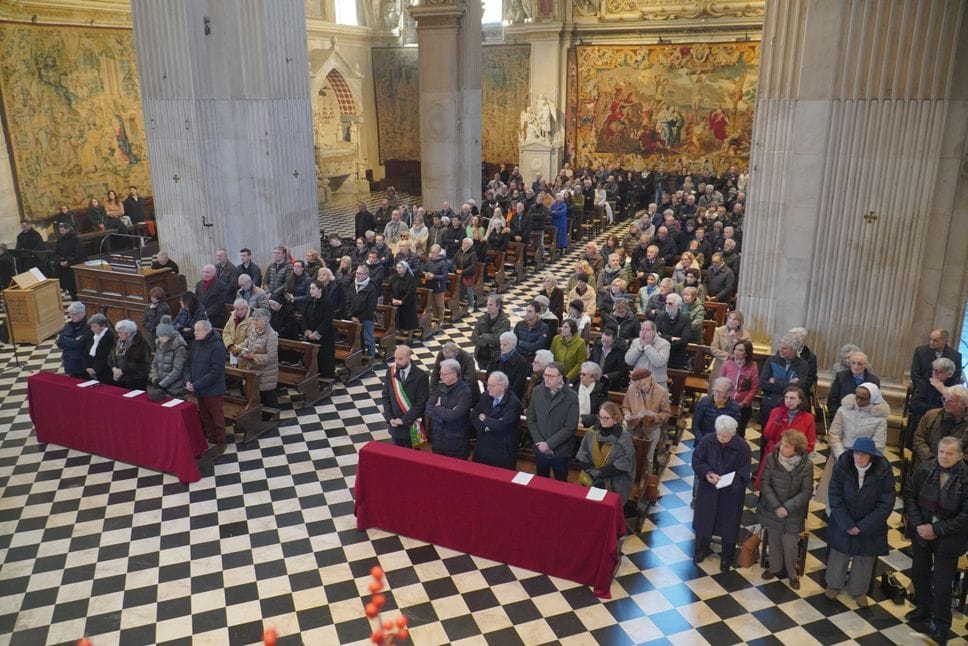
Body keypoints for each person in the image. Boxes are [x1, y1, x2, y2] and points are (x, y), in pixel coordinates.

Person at [904, 436, 968, 646]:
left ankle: (941, 626)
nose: (944, 456)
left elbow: (965, 516)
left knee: (942, 585)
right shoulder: (925, 468)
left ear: (960, 455)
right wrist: (919, 525)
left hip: (949, 537)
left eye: (950, 453)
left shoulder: (965, 477)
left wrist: (935, 529)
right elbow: (910, 495)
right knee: (919, 573)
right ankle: (924, 607)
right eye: (941, 451)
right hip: (922, 530)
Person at [824, 436, 895, 607]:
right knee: (839, 553)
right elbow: (834, 495)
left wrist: (863, 526)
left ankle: (858, 590)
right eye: (856, 453)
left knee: (864, 557)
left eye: (864, 454)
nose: (859, 457)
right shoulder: (842, 466)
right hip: (844, 519)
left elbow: (886, 503)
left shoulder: (884, 471)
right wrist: (847, 523)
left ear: (872, 456)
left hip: (870, 524)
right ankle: (834, 584)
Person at [692, 416, 751, 572]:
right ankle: (701, 550)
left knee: (728, 526)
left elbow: (744, 473)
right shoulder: (707, 441)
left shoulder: (743, 447)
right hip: (709, 490)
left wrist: (729, 482)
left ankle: (727, 556)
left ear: (733, 433)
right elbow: (697, 460)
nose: (722, 438)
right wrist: (707, 473)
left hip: (730, 495)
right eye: (719, 434)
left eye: (726, 436)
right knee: (705, 521)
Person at [816, 383, 890, 506]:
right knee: (836, 493)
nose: (859, 401)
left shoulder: (879, 417)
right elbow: (834, 435)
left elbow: (879, 444)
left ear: (872, 399)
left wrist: (861, 457)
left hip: (863, 460)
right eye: (857, 397)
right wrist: (842, 455)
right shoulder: (844, 409)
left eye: (863, 398)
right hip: (840, 455)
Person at [757, 429, 813, 589]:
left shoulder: (806, 465)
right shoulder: (771, 459)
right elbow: (765, 483)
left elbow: (807, 491)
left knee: (790, 544)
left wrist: (786, 508)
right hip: (772, 509)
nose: (782, 447)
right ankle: (774, 568)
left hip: (793, 513)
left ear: (797, 450)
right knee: (774, 540)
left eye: (787, 446)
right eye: (782, 444)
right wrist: (776, 506)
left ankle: (792, 574)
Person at [527, 362, 579, 481]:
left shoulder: (571, 396)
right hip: (540, 447)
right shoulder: (537, 391)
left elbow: (570, 427)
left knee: (560, 483)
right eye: (545, 375)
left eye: (551, 376)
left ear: (560, 378)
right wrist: (540, 442)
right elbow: (531, 418)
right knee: (541, 482)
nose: (547, 379)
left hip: (560, 450)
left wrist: (549, 444)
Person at [576, 402, 636, 504]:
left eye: (606, 418)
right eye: (600, 417)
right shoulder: (592, 432)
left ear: (615, 418)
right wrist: (591, 472)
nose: (602, 420)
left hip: (614, 480)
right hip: (592, 477)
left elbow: (624, 463)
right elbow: (582, 454)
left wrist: (600, 473)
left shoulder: (624, 439)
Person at [756, 385, 815, 488]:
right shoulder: (776, 412)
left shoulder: (808, 418)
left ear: (800, 400)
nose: (788, 401)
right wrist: (777, 421)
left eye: (792, 398)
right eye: (786, 398)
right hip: (774, 454)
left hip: (794, 459)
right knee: (767, 486)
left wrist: (794, 453)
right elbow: (767, 435)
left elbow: (810, 444)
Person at [186, 320, 228, 454]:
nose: (195, 333)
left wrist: (196, 384)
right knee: (205, 416)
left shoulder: (217, 346)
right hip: (199, 388)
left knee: (217, 417)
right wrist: (188, 380)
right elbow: (189, 365)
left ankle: (221, 442)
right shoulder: (195, 344)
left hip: (213, 389)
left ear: (207, 331)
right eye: (195, 330)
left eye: (198, 330)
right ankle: (211, 439)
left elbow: (215, 372)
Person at [622, 367, 671, 476]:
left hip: (651, 428)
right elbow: (625, 406)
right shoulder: (632, 388)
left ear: (650, 379)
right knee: (628, 454)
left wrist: (654, 417)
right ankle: (630, 477)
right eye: (638, 385)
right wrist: (627, 414)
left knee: (648, 457)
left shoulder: (661, 392)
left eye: (643, 384)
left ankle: (646, 479)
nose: (641, 387)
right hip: (633, 426)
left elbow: (667, 413)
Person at [471, 371, 522, 469]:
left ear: (502, 387)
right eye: (487, 385)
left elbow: (501, 425)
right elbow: (473, 415)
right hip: (483, 445)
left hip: (502, 449)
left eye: (491, 385)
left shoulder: (513, 403)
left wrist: (484, 418)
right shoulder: (486, 395)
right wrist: (485, 426)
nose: (488, 388)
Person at [911, 384, 968, 473]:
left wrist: (949, 462)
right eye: (944, 399)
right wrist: (931, 459)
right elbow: (919, 438)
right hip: (926, 466)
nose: (945, 403)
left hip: (957, 471)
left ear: (963, 404)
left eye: (950, 402)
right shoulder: (931, 415)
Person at [383, 345, 430, 448]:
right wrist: (389, 417)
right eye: (395, 358)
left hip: (411, 428)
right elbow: (386, 397)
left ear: (409, 358)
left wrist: (404, 420)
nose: (397, 361)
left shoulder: (421, 376)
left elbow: (421, 404)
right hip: (395, 427)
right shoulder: (390, 371)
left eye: (400, 359)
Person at [907, 357, 961, 447]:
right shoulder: (925, 383)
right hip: (924, 421)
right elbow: (915, 405)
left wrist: (943, 391)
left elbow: (956, 410)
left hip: (947, 426)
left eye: (939, 371)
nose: (934, 373)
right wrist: (935, 412)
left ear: (949, 374)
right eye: (934, 370)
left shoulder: (955, 388)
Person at [426, 358, 473, 459]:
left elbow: (454, 416)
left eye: (444, 374)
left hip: (455, 443)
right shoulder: (440, 387)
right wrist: (443, 417)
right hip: (438, 439)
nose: (441, 376)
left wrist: (438, 409)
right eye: (440, 373)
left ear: (454, 375)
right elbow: (429, 408)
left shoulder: (465, 392)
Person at [758, 333, 808, 425]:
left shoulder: (802, 365)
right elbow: (763, 383)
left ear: (793, 350)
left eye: (784, 348)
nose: (780, 350)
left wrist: (775, 381)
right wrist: (789, 383)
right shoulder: (771, 360)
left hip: (789, 406)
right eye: (780, 347)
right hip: (770, 402)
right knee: (766, 433)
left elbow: (800, 387)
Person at [238, 308, 280, 408]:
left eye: (257, 320)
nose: (254, 322)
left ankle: (274, 418)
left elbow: (270, 356)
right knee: (256, 396)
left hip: (266, 373)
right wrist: (241, 351)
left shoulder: (271, 335)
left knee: (269, 399)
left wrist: (253, 356)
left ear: (265, 321)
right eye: (254, 319)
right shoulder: (254, 330)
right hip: (253, 369)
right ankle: (258, 415)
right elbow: (248, 343)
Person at [826, 351, 879, 418]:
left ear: (865, 365)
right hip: (842, 417)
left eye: (859, 364)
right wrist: (836, 416)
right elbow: (832, 400)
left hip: (864, 420)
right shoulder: (841, 377)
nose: (855, 366)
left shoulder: (874, 381)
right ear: (849, 364)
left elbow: (875, 403)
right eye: (853, 363)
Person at [911, 328, 964, 395]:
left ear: (945, 341)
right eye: (931, 339)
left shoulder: (956, 356)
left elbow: (955, 378)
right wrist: (923, 389)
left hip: (943, 394)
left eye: (935, 340)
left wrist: (944, 390)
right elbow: (915, 373)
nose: (931, 342)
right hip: (921, 392)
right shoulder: (920, 351)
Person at [148, 316, 189, 400]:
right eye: (159, 336)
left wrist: (162, 384)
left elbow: (177, 371)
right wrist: (155, 378)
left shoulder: (179, 348)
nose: (160, 339)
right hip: (162, 386)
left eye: (162, 336)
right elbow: (154, 363)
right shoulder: (160, 344)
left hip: (176, 388)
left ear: (169, 334)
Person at [303, 281, 336, 382]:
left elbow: (327, 321)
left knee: (324, 356)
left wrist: (317, 333)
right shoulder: (309, 301)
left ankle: (326, 376)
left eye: (313, 288)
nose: (310, 291)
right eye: (310, 288)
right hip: (311, 335)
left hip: (325, 336)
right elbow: (304, 317)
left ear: (320, 290)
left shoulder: (327, 303)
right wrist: (307, 331)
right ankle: (313, 374)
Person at [625, 320, 670, 389]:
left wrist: (647, 346)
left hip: (656, 383)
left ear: (654, 332)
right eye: (642, 329)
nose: (644, 332)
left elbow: (659, 362)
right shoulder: (636, 342)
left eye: (647, 330)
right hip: (637, 382)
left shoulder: (664, 344)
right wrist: (640, 348)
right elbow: (628, 360)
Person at [485, 332, 529, 400]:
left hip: (509, 400)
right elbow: (488, 378)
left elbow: (517, 388)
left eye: (505, 345)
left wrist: (500, 396)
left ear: (513, 345)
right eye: (501, 344)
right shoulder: (495, 356)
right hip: (491, 396)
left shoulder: (521, 363)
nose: (502, 347)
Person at [471, 294, 511, 369]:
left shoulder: (505, 322)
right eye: (487, 304)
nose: (487, 307)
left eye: (491, 305)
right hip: (480, 357)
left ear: (498, 306)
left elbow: (497, 340)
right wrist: (486, 343)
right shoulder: (482, 318)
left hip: (495, 359)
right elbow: (474, 337)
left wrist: (482, 336)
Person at [108, 320, 150, 391]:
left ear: (129, 333)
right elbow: (110, 357)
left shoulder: (141, 343)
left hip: (135, 380)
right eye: (118, 332)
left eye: (121, 333)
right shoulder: (118, 340)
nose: (118, 335)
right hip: (119, 377)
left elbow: (141, 365)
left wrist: (122, 371)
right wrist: (114, 368)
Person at [708, 310, 751, 377]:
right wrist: (728, 356)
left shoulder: (745, 335)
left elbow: (747, 351)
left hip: (737, 365)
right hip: (721, 363)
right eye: (730, 318)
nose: (731, 321)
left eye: (734, 320)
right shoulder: (719, 331)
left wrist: (734, 340)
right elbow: (714, 348)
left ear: (739, 322)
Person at [348, 264, 378, 358]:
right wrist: (351, 316)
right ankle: (359, 357)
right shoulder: (353, 285)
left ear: (366, 275)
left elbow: (371, 307)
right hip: (353, 317)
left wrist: (359, 318)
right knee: (355, 339)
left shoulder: (371, 288)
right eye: (357, 273)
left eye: (360, 273)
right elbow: (348, 302)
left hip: (366, 318)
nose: (357, 275)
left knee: (368, 338)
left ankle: (370, 357)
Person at [56, 302, 92, 378]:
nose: (71, 316)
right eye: (70, 314)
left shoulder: (88, 326)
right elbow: (59, 343)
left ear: (82, 313)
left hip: (82, 363)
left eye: (74, 314)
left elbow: (79, 343)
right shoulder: (69, 325)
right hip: (69, 361)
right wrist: (73, 340)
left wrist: (66, 340)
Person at [54, 222, 85, 300]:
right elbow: (56, 252)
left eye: (62, 230)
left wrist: (68, 261)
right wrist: (59, 261)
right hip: (64, 267)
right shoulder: (60, 239)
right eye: (60, 231)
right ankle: (74, 300)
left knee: (77, 286)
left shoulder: (75, 239)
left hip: (74, 266)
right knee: (69, 286)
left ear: (68, 230)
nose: (61, 233)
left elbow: (79, 254)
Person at [574, 362, 609, 428]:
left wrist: (582, 420)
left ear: (593, 378)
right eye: (580, 373)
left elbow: (600, 415)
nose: (581, 376)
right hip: (573, 421)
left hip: (592, 425)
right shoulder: (575, 388)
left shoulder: (601, 392)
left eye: (584, 374)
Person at [85, 313, 115, 383]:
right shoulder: (92, 336)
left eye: (95, 327)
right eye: (91, 326)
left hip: (106, 373)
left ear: (103, 326)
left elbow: (107, 357)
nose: (92, 329)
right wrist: (87, 367)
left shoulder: (110, 337)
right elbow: (86, 352)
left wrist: (95, 369)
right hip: (92, 370)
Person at [195, 264, 228, 329]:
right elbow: (196, 300)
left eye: (207, 272)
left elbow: (219, 303)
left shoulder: (221, 286)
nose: (205, 274)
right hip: (201, 315)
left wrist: (207, 313)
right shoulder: (199, 284)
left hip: (216, 317)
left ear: (214, 273)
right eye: (203, 272)